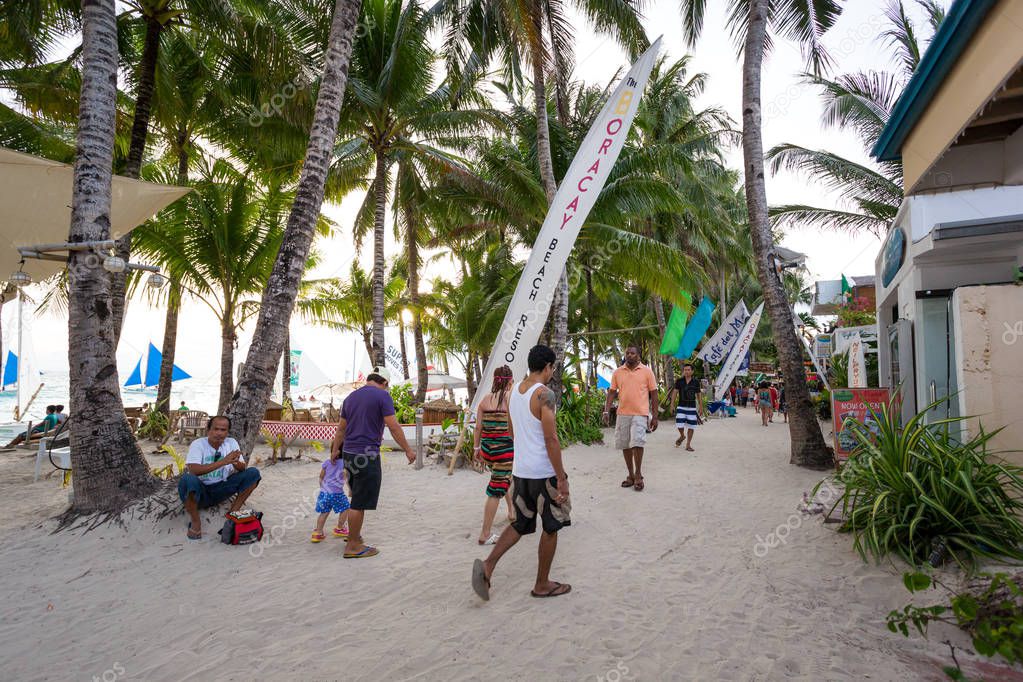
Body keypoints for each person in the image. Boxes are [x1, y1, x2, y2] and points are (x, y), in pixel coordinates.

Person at [471, 345, 571, 601]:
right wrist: (561, 478)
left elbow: (511, 431)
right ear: (548, 366)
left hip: (521, 471)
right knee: (551, 526)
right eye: (552, 368)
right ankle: (542, 583)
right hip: (543, 472)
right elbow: (551, 439)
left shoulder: (514, 391)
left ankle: (488, 565)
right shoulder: (544, 395)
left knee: (520, 523)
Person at [330, 365, 415, 559]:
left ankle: (355, 537)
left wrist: (335, 450)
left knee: (356, 496)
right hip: (366, 455)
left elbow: (341, 429)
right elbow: (393, 426)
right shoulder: (382, 396)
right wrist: (408, 450)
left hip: (349, 453)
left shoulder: (350, 398)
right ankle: (352, 546)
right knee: (359, 502)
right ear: (384, 382)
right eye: (387, 386)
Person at [177, 415, 262, 540]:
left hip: (222, 488)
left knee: (253, 473)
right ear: (209, 430)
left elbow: (242, 468)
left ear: (227, 432)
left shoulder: (231, 443)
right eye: (216, 429)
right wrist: (224, 461)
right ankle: (196, 522)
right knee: (187, 479)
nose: (219, 433)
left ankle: (232, 513)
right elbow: (193, 470)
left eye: (223, 430)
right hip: (201, 491)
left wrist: (235, 462)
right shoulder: (198, 444)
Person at [602, 344, 658, 492]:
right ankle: (631, 475)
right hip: (623, 413)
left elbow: (654, 394)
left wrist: (655, 416)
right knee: (625, 444)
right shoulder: (618, 372)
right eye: (627, 353)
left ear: (638, 355)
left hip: (640, 413)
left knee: (637, 442)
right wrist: (606, 411)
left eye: (633, 353)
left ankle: (638, 475)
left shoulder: (647, 371)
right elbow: (612, 392)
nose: (629, 355)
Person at [473, 365, 515, 545]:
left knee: (503, 478)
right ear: (510, 381)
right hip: (503, 450)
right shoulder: (511, 399)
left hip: (488, 450)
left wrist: (476, 449)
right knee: (496, 489)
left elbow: (477, 428)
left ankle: (512, 511)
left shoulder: (485, 400)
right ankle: (485, 534)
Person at [311, 452, 350, 543]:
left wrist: (322, 488)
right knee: (346, 508)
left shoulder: (327, 462)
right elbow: (346, 477)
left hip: (324, 492)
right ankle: (340, 528)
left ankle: (318, 533)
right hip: (337, 493)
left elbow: (321, 476)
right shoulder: (345, 463)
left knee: (324, 512)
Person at [668, 363, 704, 451]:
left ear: (692, 371)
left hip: (692, 407)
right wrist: (672, 405)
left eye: (688, 370)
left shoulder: (696, 382)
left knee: (691, 426)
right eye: (685, 370)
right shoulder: (679, 381)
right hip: (681, 406)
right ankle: (682, 435)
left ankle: (688, 445)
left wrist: (701, 406)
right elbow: (675, 393)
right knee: (679, 423)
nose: (686, 371)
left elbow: (698, 395)